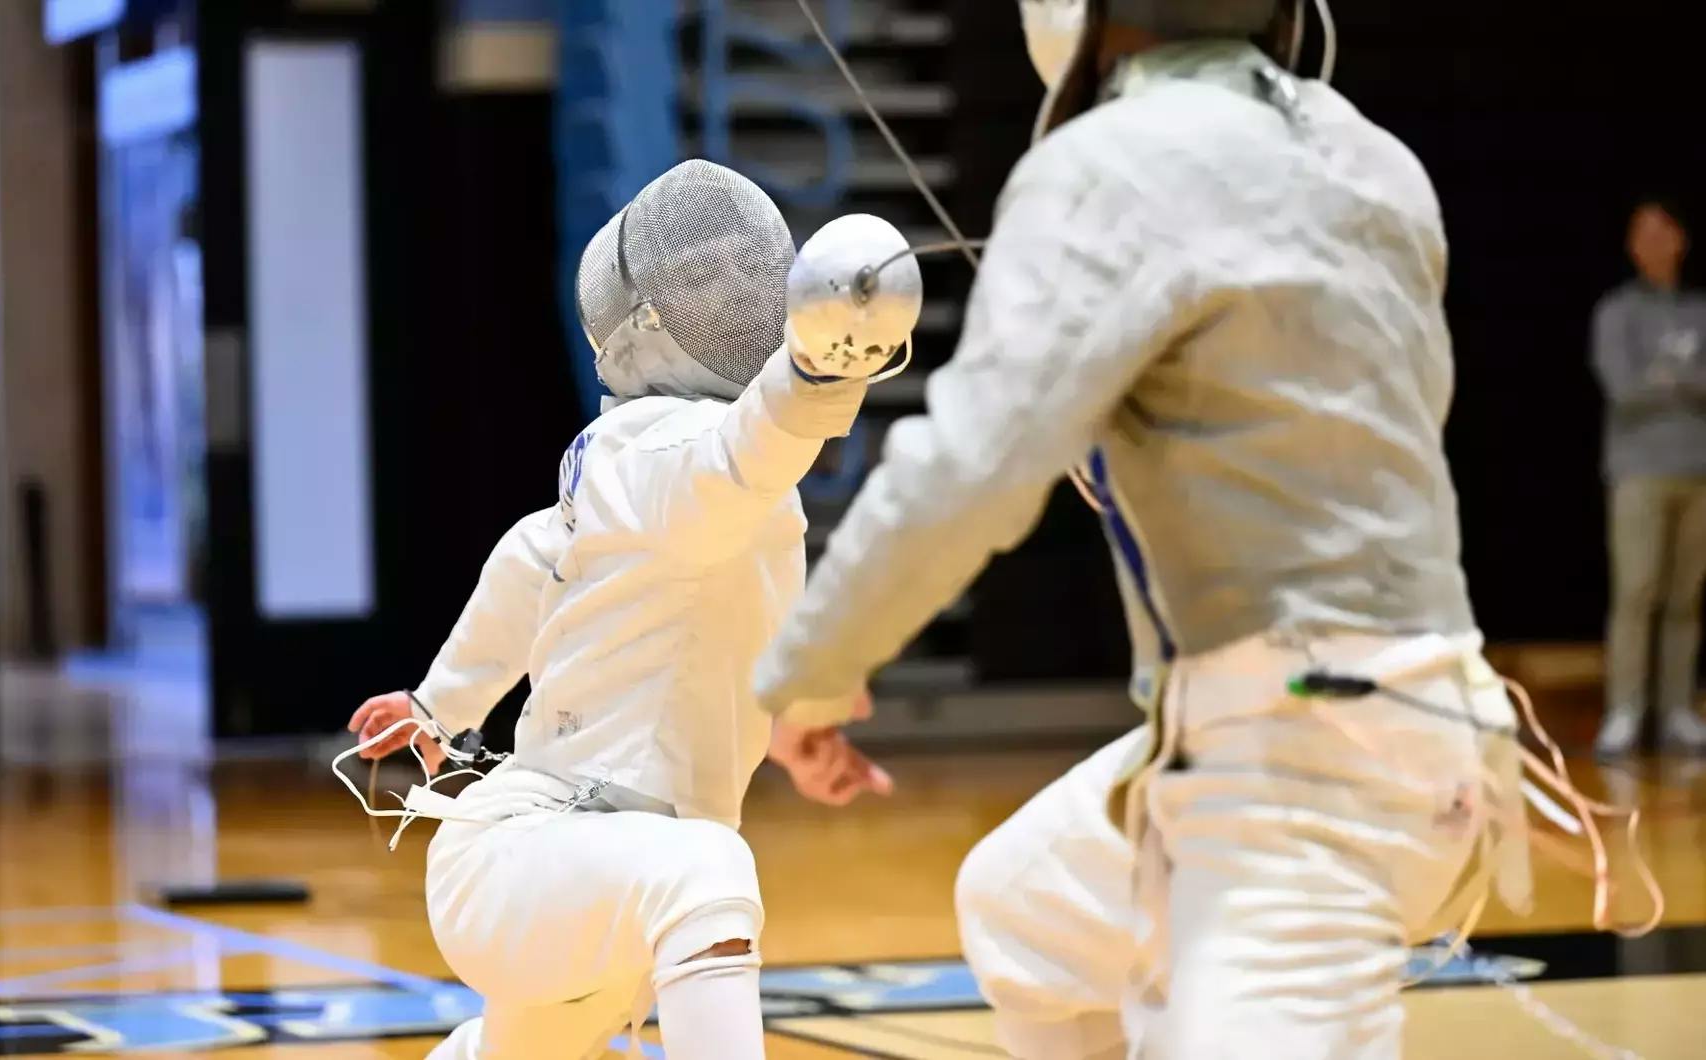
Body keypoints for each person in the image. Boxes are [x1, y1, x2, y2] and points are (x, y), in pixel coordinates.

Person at [753, 2, 1527, 1057]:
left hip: (1303, 769)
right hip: (1427, 724)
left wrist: (809, 673)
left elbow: (965, 471)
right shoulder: (1377, 160)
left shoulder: (1102, 166)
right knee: (1021, 910)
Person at [342, 160, 912, 1060]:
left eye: (744, 272)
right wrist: (814, 372)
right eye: (705, 277)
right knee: (706, 876)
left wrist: (434, 707)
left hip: (596, 886)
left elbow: (534, 560)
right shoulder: (657, 451)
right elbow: (736, 462)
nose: (736, 290)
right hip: (539, 848)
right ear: (653, 320)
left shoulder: (632, 467)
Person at [1592, 197, 1706, 756]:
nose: (1651, 243)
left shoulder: (1700, 311)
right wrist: (1685, 379)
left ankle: (1679, 710)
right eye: (1640, 234)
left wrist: (1666, 376)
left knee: (1686, 597)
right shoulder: (1616, 313)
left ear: (1680, 239)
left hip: (1699, 471)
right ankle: (1624, 712)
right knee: (1637, 592)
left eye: (1661, 231)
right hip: (1639, 472)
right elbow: (1623, 388)